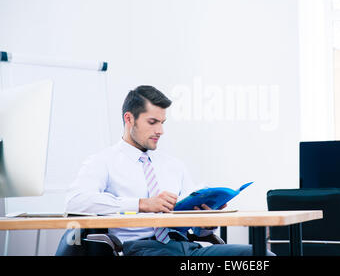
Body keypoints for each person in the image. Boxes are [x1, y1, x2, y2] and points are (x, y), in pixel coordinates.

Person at [66, 85, 273, 256]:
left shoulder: (173, 165)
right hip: (141, 249)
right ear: (129, 119)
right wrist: (141, 204)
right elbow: (75, 201)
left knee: (263, 257)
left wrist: (206, 222)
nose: (160, 131)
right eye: (152, 122)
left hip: (186, 247)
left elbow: (196, 230)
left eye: (162, 123)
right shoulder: (103, 161)